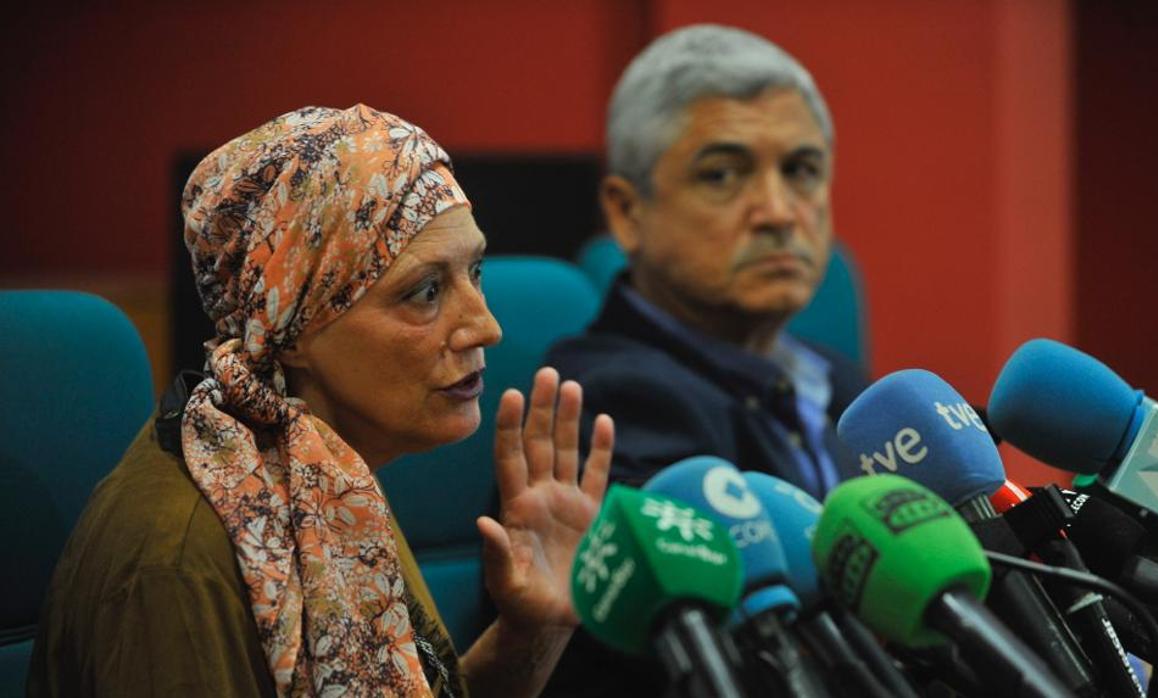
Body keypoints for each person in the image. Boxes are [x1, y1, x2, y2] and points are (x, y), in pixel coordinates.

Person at [28, 104, 614, 698]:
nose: (486, 327)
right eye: (427, 291)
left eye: (476, 271)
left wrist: (535, 626)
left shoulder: (321, 473)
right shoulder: (173, 568)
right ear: (294, 324)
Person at [541, 24, 869, 696]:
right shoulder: (610, 402)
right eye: (723, 174)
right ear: (628, 213)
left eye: (801, 170)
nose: (779, 212)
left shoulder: (838, 380)